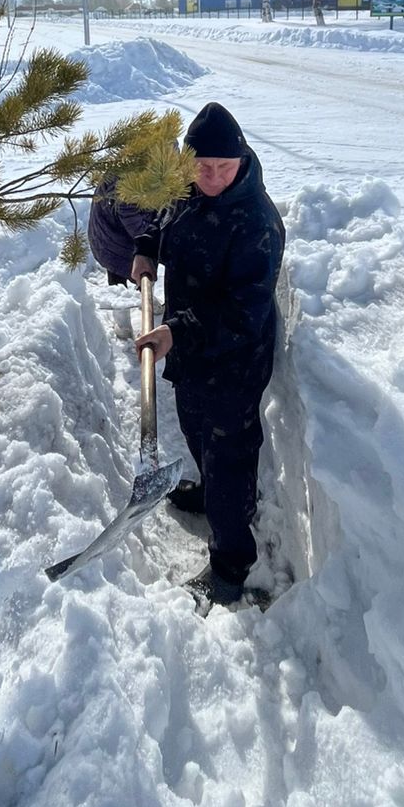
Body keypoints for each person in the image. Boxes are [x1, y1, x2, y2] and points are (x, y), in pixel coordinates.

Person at [132, 102, 285, 608]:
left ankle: (231, 566)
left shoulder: (257, 222)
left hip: (234, 359)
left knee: (229, 455)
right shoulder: (188, 190)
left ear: (241, 161)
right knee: (196, 430)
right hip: (193, 350)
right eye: (203, 167)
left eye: (225, 167)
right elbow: (163, 217)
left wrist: (175, 333)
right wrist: (147, 245)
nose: (214, 177)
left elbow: (243, 312)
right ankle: (210, 496)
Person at [87, 172, 157, 286]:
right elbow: (129, 212)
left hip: (125, 232)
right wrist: (151, 240)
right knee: (123, 275)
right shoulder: (132, 174)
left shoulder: (158, 164)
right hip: (113, 237)